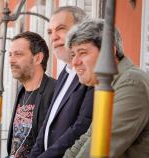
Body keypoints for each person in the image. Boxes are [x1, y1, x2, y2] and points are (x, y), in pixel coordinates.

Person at [64, 18, 149, 158]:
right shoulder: (109, 84)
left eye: (83, 52)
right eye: (73, 54)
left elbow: (100, 148)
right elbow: (88, 138)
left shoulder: (132, 84)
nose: (74, 62)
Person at [29, 6, 94, 158]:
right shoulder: (64, 73)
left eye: (61, 29)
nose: (53, 37)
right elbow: (47, 125)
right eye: (50, 32)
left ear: (82, 30)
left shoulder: (92, 74)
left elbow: (81, 128)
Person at [6, 31, 57, 158]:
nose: (11, 60)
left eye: (18, 54)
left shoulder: (55, 91)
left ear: (38, 58)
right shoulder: (21, 92)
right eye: (10, 55)